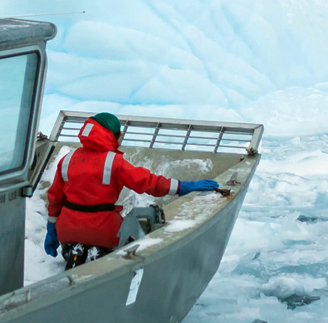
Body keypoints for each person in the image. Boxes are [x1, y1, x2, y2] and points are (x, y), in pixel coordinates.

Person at [44, 112, 219, 269]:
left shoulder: (67, 159)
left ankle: (74, 250)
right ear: (113, 135)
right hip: (104, 232)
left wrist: (52, 229)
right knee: (149, 216)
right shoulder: (114, 162)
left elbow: (55, 199)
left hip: (66, 231)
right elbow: (149, 183)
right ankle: (105, 252)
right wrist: (183, 187)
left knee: (76, 227)